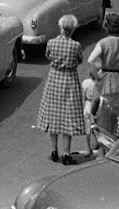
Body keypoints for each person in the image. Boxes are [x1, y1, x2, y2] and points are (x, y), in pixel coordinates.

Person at [37, 14, 87, 166]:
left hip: (54, 80)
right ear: (72, 29)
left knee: (53, 116)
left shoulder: (52, 43)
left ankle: (54, 151)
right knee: (67, 118)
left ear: (60, 28)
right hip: (69, 81)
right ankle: (66, 153)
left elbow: (48, 56)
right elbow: (79, 60)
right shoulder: (75, 45)